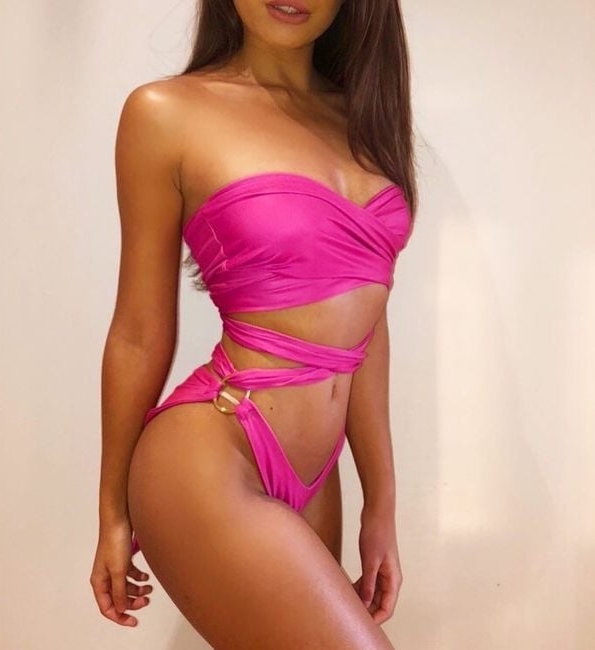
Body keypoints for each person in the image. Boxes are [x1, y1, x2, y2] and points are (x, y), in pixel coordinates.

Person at [90, 1, 417, 647]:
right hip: (212, 452)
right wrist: (112, 511)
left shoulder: (362, 119)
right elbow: (138, 331)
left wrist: (381, 504)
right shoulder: (166, 112)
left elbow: (363, 329)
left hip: (316, 476)